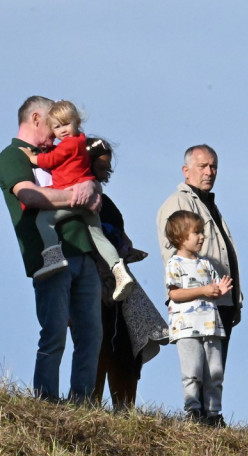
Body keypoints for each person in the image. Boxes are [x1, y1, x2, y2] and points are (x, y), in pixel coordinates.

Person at [0, 96, 102, 403]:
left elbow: (90, 180)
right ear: (34, 118)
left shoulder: (58, 151)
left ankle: (82, 401)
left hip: (82, 251)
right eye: (51, 122)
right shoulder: (11, 156)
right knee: (55, 331)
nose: (58, 130)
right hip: (50, 257)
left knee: (91, 334)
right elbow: (28, 196)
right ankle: (46, 400)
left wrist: (92, 187)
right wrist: (77, 193)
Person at [18, 100, 135, 300]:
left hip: (73, 198)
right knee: (98, 236)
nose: (61, 130)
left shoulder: (68, 145)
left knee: (44, 221)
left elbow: (50, 160)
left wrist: (31, 157)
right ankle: (119, 270)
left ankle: (52, 256)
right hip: (87, 204)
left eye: (65, 124)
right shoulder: (81, 142)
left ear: (77, 122)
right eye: (56, 127)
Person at [87, 138, 167, 409]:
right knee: (94, 345)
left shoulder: (107, 204)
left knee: (125, 346)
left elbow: (120, 237)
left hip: (117, 287)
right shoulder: (77, 195)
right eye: (102, 165)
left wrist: (127, 249)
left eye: (108, 166)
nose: (107, 171)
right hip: (89, 283)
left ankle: (125, 407)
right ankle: (90, 403)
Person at [156, 144, 242, 361]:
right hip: (197, 304)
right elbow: (173, 255)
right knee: (198, 372)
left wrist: (234, 300)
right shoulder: (179, 202)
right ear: (186, 170)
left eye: (213, 167)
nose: (209, 172)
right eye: (203, 166)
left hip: (220, 300)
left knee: (215, 374)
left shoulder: (208, 204)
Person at [164, 210, 233, 424]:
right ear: (180, 236)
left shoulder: (205, 265)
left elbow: (211, 289)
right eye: (197, 232)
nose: (202, 237)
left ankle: (214, 413)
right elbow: (174, 293)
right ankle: (193, 410)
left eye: (202, 232)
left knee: (214, 372)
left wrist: (219, 291)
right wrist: (203, 291)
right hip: (186, 327)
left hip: (210, 325)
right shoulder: (174, 264)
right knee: (192, 370)